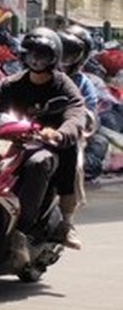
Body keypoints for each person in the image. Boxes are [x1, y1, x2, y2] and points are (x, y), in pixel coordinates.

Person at [0, 27, 88, 248]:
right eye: (32, 53)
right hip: (14, 140)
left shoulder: (63, 85)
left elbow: (76, 112)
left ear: (54, 58)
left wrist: (60, 132)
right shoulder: (13, 83)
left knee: (39, 163)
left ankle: (60, 224)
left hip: (48, 144)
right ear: (24, 56)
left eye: (43, 54)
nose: (36, 59)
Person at [54, 25, 98, 248]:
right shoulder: (39, 72)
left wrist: (75, 123)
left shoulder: (84, 84)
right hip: (31, 131)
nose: (64, 58)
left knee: (73, 164)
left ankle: (67, 222)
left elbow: (88, 114)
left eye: (70, 53)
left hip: (64, 136)